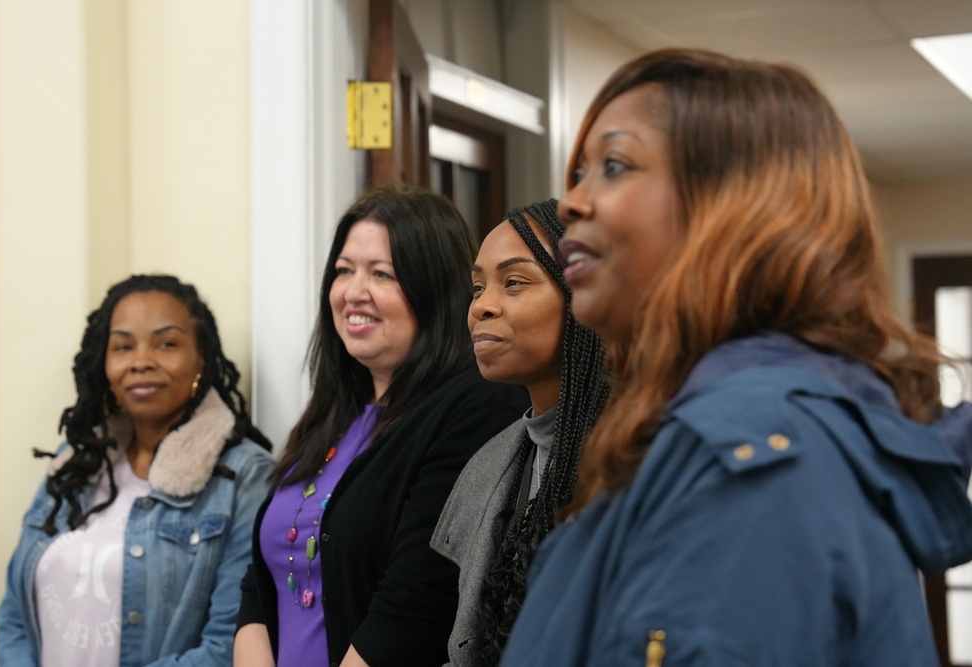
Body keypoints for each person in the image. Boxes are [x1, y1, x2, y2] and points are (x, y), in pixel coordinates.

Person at [499, 48, 972, 666]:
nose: (570, 204)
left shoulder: (754, 455)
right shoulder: (704, 433)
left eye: (613, 165)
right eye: (579, 174)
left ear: (733, 208)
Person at [234, 183, 528, 667]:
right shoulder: (332, 412)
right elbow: (259, 587)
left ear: (434, 288)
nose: (353, 292)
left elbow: (417, 606)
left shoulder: (477, 405)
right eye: (344, 271)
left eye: (382, 274)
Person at [0, 274, 275, 667]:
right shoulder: (75, 462)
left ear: (201, 360)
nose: (142, 361)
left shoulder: (244, 477)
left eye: (167, 343)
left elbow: (230, 645)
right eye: (123, 346)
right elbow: (14, 617)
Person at [431, 199, 608, 667]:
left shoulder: (631, 460)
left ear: (583, 296)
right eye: (477, 287)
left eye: (514, 282)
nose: (482, 307)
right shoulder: (492, 463)